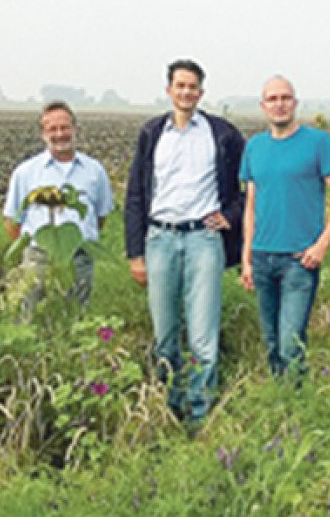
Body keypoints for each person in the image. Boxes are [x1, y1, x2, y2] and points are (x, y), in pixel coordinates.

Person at [124, 59, 245, 425]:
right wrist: (135, 253)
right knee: (165, 334)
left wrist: (231, 216)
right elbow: (135, 195)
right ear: (169, 91)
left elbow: (246, 188)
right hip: (160, 238)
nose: (187, 92)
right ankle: (168, 407)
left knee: (203, 337)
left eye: (193, 87)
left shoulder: (222, 134)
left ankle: (199, 415)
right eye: (180, 86)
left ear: (202, 93)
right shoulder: (151, 133)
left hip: (203, 240)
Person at [239, 76, 330, 377]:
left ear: (295, 103)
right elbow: (251, 205)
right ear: (263, 106)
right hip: (262, 257)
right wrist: (246, 258)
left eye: (285, 98)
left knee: (291, 344)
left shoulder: (317, 143)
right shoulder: (254, 147)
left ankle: (297, 401)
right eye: (272, 99)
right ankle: (283, 407)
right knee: (272, 343)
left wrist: (322, 245)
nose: (279, 104)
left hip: (299, 260)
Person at [3, 100, 115, 315]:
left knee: (75, 314)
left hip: (80, 255)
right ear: (43, 134)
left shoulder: (94, 171)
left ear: (75, 129)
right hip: (39, 257)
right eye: (52, 129)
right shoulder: (26, 172)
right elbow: (13, 219)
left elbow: (99, 216)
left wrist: (71, 241)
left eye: (64, 127)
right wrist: (37, 247)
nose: (59, 134)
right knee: (31, 315)